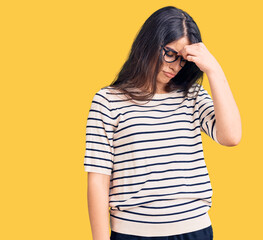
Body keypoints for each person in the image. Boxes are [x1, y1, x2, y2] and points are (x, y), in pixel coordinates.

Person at [84, 6, 242, 240]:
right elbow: (98, 179)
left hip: (194, 230)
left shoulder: (193, 96)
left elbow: (231, 137)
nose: (175, 66)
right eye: (170, 53)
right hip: (132, 232)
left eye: (182, 60)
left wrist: (214, 70)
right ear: (150, 42)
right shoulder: (107, 101)